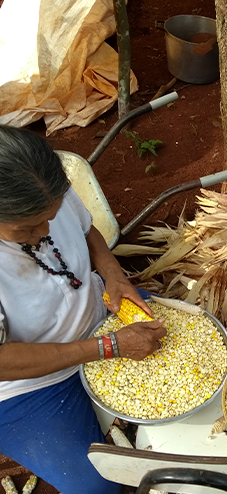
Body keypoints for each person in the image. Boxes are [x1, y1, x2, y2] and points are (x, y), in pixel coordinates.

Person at [0, 125, 167, 494]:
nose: (45, 230)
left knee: (196, 355)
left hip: (102, 319)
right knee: (97, 485)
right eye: (27, 228)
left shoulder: (47, 186)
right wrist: (109, 348)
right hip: (28, 384)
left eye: (51, 215)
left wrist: (114, 276)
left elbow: (87, 229)